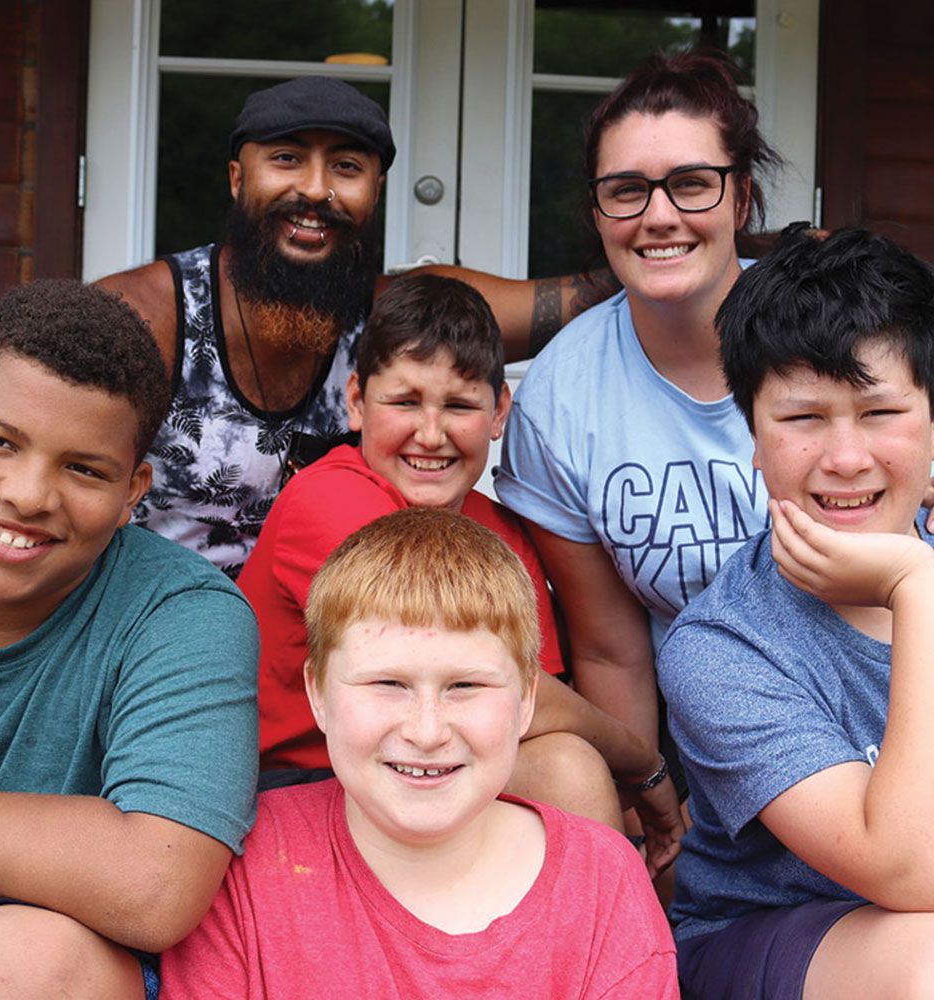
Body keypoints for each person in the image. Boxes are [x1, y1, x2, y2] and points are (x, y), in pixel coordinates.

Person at [238, 273, 684, 870]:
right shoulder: (329, 500)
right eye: (404, 402)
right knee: (571, 771)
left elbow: (527, 703)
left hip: (432, 758)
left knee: (565, 763)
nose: (430, 434)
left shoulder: (500, 532)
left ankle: (612, 954)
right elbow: (490, 678)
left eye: (459, 404)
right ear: (354, 402)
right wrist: (642, 765)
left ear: (499, 411)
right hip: (298, 780)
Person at [96, 75, 621, 577]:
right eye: (286, 159)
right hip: (160, 638)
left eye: (346, 167)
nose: (317, 188)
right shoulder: (147, 313)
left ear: (376, 190)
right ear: (238, 178)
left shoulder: (399, 320)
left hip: (350, 639)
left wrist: (674, 237)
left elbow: (590, 295)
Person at [161, 507, 680, 999]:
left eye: (465, 686)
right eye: (388, 683)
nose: (427, 731)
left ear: (526, 700)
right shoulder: (242, 868)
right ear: (318, 693)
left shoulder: (603, 879)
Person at [0, 281, 259, 1000]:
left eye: (83, 469)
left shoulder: (179, 614)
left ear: (132, 492)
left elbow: (156, 882)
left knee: (25, 960)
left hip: (19, 968)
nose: (27, 494)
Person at [657, 227, 934, 998]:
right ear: (751, 434)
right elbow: (907, 870)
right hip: (773, 944)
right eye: (805, 418)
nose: (846, 458)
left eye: (880, 412)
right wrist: (920, 588)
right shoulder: (721, 647)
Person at [495, 51, 783, 788]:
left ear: (740, 198)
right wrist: (647, 800)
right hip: (702, 734)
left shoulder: (832, 334)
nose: (658, 217)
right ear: (598, 212)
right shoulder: (563, 396)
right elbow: (612, 648)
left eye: (691, 184)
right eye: (627, 191)